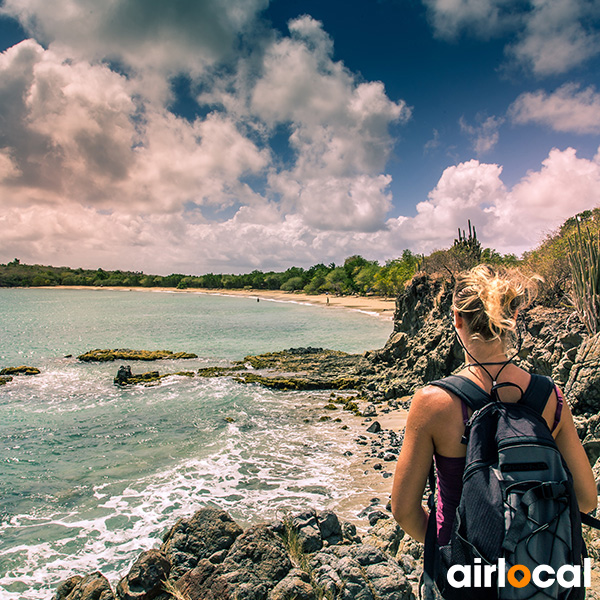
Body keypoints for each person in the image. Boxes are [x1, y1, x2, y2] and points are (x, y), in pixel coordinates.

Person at [391, 264, 597, 550]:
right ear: (512, 316)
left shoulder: (433, 402)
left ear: (456, 318)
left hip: (462, 577)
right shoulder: (550, 396)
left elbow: (404, 511)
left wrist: (449, 551)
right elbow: (586, 499)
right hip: (535, 574)